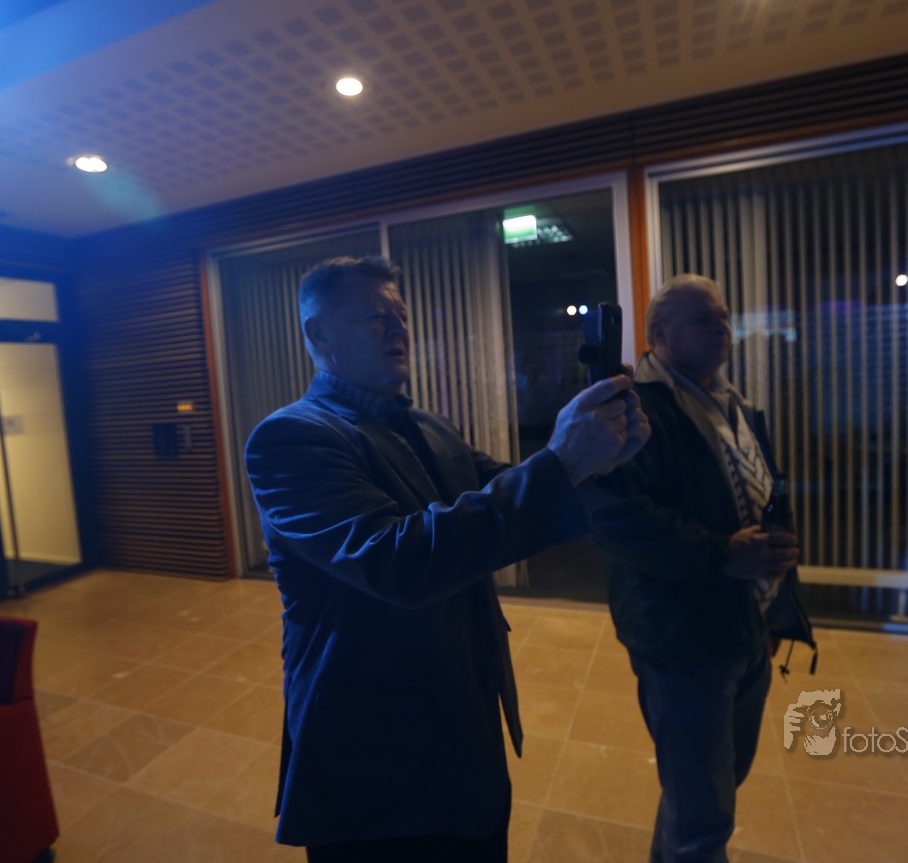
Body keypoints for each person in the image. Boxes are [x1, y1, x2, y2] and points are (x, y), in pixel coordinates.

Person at [243, 255, 650, 862]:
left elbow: (510, 502)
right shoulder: (292, 437)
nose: (398, 329)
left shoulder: (428, 424)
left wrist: (600, 461)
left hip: (463, 722)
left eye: (401, 316)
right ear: (319, 334)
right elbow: (395, 561)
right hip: (369, 747)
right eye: (376, 317)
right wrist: (562, 462)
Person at [588, 274, 816, 863]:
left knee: (709, 791)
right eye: (702, 320)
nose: (721, 329)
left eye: (724, 317)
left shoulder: (734, 403)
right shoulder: (633, 410)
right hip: (683, 641)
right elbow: (617, 520)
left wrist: (772, 602)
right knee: (703, 816)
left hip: (744, 626)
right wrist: (722, 554)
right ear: (659, 335)